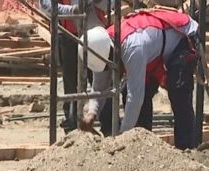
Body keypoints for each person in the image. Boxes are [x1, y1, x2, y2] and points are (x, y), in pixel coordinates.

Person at [80, 8, 200, 149]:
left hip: (182, 36)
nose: (109, 71)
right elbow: (99, 87)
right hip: (153, 52)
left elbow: (135, 97)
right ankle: (142, 148)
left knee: (178, 91)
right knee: (127, 92)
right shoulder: (101, 50)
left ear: (112, 53)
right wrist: (92, 113)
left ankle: (186, 149)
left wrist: (123, 136)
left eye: (108, 66)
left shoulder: (132, 47)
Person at [38, 0, 114, 133]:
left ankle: (106, 124)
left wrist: (100, 0)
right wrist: (70, 10)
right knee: (71, 83)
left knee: (101, 80)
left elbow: (113, 0)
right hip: (68, 35)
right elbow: (45, 3)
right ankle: (73, 125)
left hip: (95, 37)